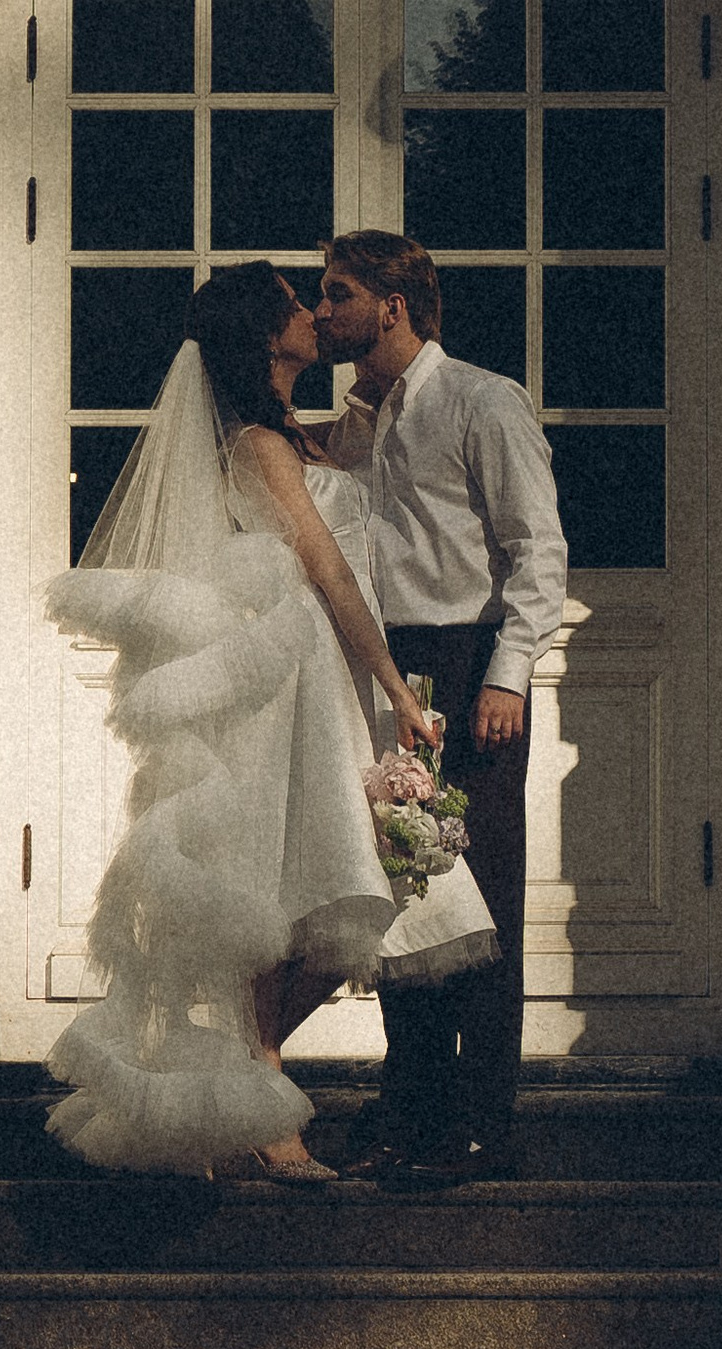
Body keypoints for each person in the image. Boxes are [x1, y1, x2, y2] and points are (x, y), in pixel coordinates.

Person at [44, 261, 443, 1180]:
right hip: (287, 679)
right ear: (268, 336)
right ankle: (262, 1096)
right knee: (291, 881)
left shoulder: (298, 436)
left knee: (333, 882)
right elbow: (327, 571)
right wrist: (395, 683)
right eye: (299, 304)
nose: (313, 313)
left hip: (318, 675)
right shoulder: (257, 446)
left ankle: (248, 1077)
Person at [313, 228, 568, 1186]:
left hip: (471, 668)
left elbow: (537, 549)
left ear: (392, 302)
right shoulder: (359, 423)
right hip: (393, 673)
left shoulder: (481, 401)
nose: (325, 310)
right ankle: (409, 1112)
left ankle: (482, 1126)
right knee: (407, 904)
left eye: (338, 294)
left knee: (484, 900)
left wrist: (508, 673)